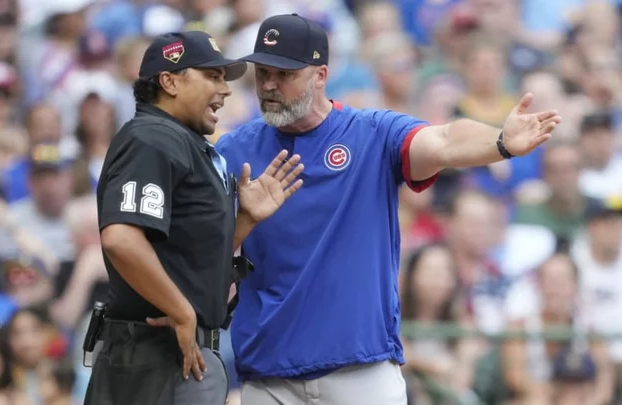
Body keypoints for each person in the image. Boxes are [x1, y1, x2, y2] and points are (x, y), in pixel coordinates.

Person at [216, 13, 561, 405]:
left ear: (320, 75)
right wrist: (242, 223)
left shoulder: (371, 134)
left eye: (284, 73)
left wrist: (499, 141)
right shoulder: (234, 150)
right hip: (269, 375)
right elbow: (205, 252)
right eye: (262, 73)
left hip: (360, 372)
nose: (269, 85)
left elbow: (443, 140)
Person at [82, 31, 304, 405]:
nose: (226, 90)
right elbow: (122, 238)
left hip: (174, 353)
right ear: (169, 81)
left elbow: (186, 257)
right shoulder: (151, 138)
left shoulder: (185, 144)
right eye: (212, 76)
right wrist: (182, 312)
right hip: (152, 354)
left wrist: (244, 222)